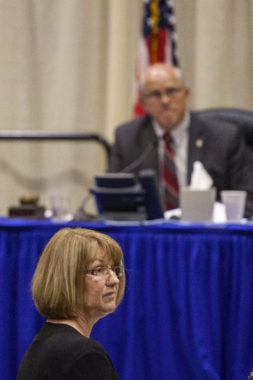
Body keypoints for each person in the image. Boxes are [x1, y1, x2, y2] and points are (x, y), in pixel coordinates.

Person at [108, 63, 253, 217]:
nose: (165, 100)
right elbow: (112, 197)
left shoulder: (224, 137)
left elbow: (247, 199)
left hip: (208, 233)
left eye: (171, 91)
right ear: (143, 103)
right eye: (156, 94)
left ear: (186, 93)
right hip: (152, 234)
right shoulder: (128, 137)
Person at [17, 227, 125, 380]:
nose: (114, 280)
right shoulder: (84, 355)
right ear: (67, 278)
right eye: (99, 270)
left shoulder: (43, 345)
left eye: (115, 269)